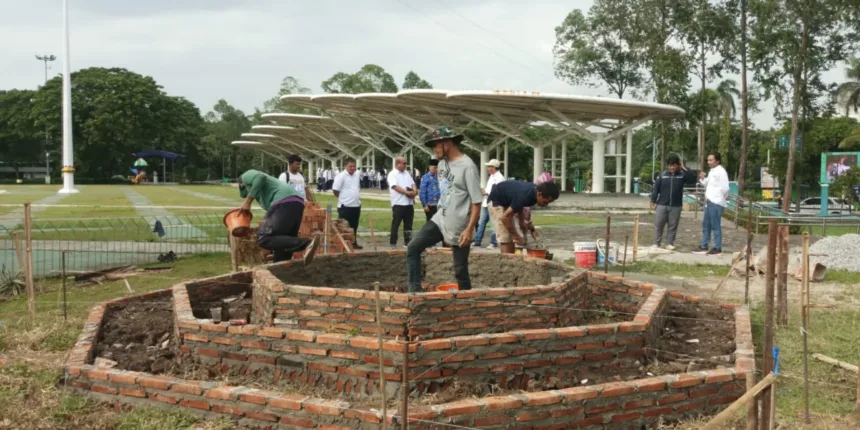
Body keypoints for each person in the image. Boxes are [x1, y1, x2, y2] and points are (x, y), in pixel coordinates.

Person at [407, 126, 482, 292]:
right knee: (413, 247)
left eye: (436, 145)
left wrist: (469, 229)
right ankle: (414, 293)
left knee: (460, 270)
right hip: (440, 219)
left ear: (447, 142)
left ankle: (466, 301)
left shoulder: (467, 166)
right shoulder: (441, 164)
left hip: (459, 225)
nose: (434, 150)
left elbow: (476, 202)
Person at [237, 169, 319, 263]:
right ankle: (282, 269)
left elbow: (260, 177)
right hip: (297, 203)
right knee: (283, 247)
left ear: (241, 184)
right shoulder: (265, 191)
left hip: (283, 201)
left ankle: (307, 243)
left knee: (264, 238)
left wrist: (247, 203)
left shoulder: (245, 176)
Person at [487, 179, 560, 255]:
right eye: (545, 202)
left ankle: (511, 260)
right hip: (496, 201)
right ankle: (506, 261)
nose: (545, 205)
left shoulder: (534, 193)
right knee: (505, 237)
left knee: (510, 237)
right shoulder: (526, 194)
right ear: (539, 194)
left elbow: (520, 204)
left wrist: (523, 223)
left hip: (507, 201)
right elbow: (504, 218)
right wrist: (517, 237)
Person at [649, 154, 694, 250]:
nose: (672, 167)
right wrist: (653, 200)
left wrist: (684, 168)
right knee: (659, 225)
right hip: (662, 204)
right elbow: (656, 189)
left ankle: (669, 243)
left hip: (676, 206)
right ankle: (656, 243)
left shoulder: (682, 175)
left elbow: (692, 178)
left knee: (673, 226)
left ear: (678, 165)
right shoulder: (662, 175)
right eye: (670, 165)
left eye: (674, 165)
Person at [693, 153, 730, 256]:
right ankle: (704, 246)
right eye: (708, 160)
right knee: (706, 225)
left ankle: (718, 248)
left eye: (711, 160)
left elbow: (725, 188)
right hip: (709, 201)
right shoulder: (711, 171)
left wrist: (720, 198)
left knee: (715, 226)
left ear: (717, 161)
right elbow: (708, 184)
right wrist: (702, 179)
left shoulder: (721, 171)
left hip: (716, 202)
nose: (709, 162)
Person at [473, 159, 504, 248]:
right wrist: (485, 191)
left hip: (493, 203)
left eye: (489, 166)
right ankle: (477, 241)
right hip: (486, 203)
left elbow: (498, 192)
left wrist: (486, 192)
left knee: (493, 224)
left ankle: (493, 242)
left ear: (494, 167)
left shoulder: (500, 178)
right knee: (481, 223)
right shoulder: (491, 176)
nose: (488, 168)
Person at [332, 159, 363, 250]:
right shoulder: (341, 176)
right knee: (343, 226)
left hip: (356, 205)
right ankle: (342, 244)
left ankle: (353, 243)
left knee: (354, 226)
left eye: (354, 166)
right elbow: (335, 190)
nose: (353, 168)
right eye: (350, 166)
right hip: (345, 206)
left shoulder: (357, 174)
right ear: (345, 166)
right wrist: (343, 198)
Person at [388, 157, 417, 248]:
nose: (405, 165)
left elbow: (413, 183)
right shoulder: (392, 174)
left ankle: (407, 243)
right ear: (398, 164)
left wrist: (414, 191)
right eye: (404, 163)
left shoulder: (407, 173)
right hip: (398, 203)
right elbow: (395, 186)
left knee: (408, 225)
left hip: (409, 203)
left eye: (406, 163)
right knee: (396, 224)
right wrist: (406, 192)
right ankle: (393, 243)